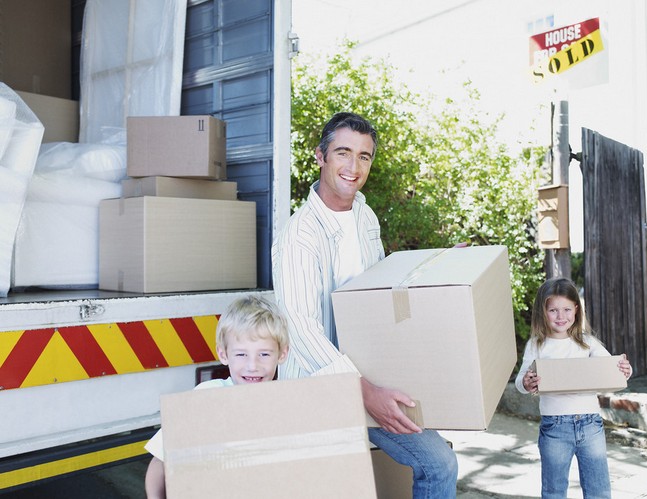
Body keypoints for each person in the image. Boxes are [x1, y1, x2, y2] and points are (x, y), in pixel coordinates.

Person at [272, 111, 458, 498]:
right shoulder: (299, 235)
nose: (353, 167)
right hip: (318, 388)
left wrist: (433, 270)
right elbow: (300, 328)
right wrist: (365, 391)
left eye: (364, 156)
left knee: (439, 462)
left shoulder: (364, 216)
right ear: (321, 157)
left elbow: (377, 287)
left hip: (370, 374)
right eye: (343, 153)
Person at [144, 294, 289, 499]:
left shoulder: (288, 405)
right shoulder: (206, 397)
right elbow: (160, 461)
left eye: (264, 354)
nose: (252, 366)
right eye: (241, 354)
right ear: (223, 354)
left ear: (282, 354)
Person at [515, 277, 632, 498]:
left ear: (576, 310)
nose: (561, 316)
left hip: (590, 424)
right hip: (554, 427)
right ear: (543, 312)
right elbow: (521, 380)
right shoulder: (537, 345)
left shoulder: (587, 343)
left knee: (599, 488)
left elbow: (613, 368)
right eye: (553, 310)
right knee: (554, 490)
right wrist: (526, 382)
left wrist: (626, 369)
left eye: (567, 309)